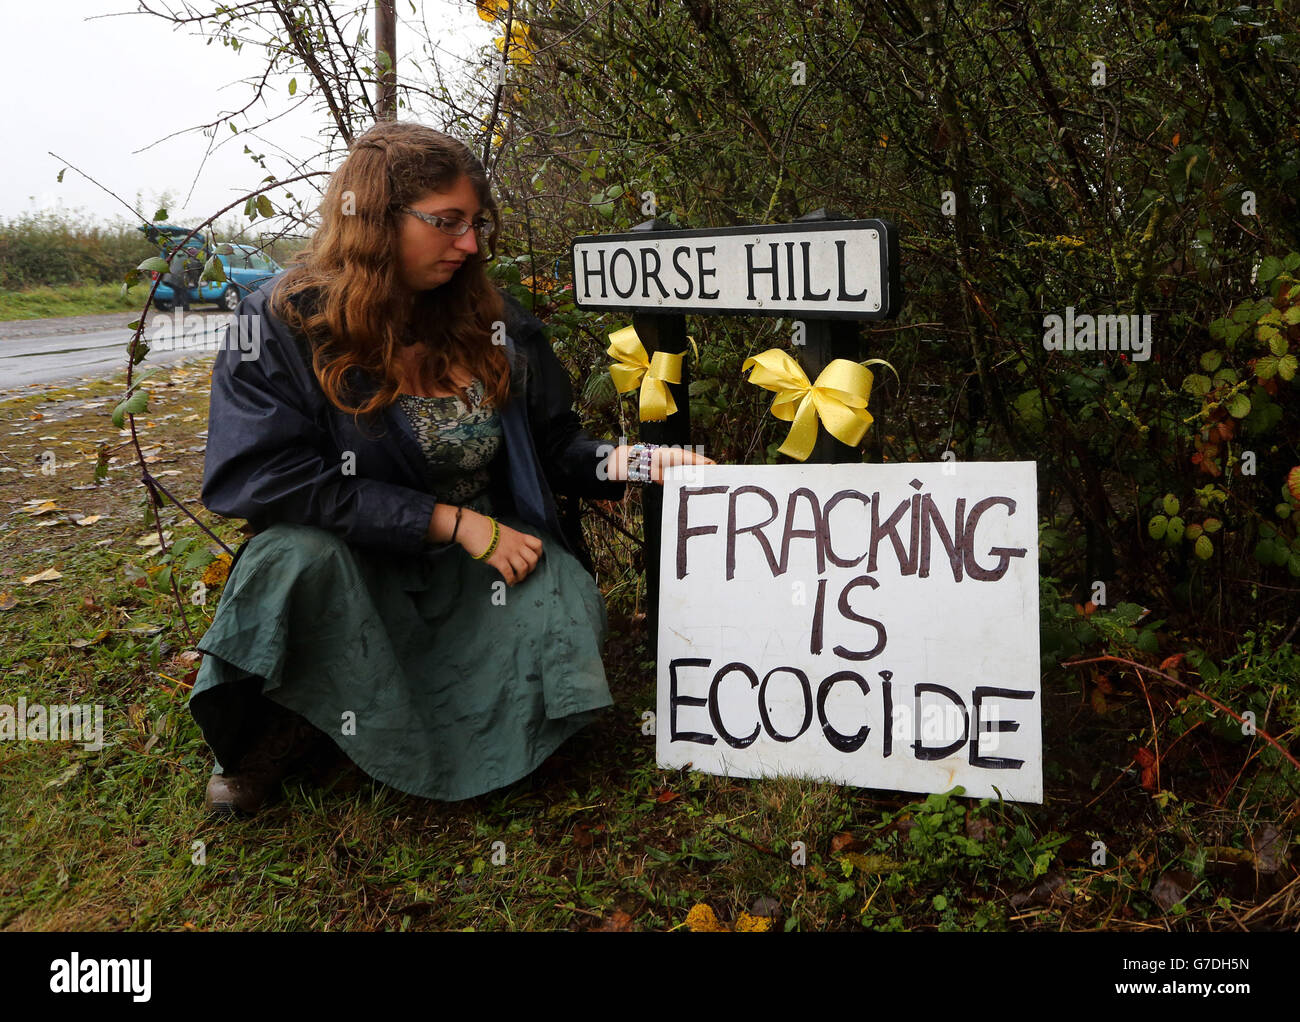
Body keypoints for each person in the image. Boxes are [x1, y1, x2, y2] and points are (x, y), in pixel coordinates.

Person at [190, 120, 714, 815]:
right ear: (375, 222)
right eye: (447, 223)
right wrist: (446, 520)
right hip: (355, 564)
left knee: (561, 590)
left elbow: (553, 445)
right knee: (289, 562)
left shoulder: (495, 322)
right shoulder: (282, 325)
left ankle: (479, 733)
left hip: (482, 567)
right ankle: (291, 727)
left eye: (475, 225)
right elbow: (260, 477)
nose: (468, 245)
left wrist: (632, 460)